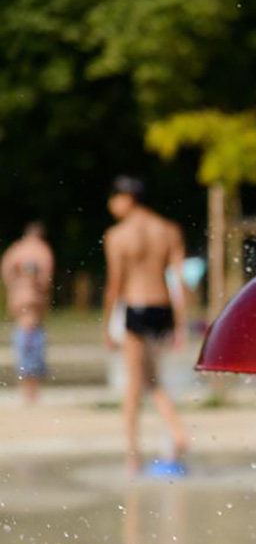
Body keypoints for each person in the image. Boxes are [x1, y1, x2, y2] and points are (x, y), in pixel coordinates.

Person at [101, 176, 189, 474]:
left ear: (126, 198)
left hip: (136, 308)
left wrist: (105, 326)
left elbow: (115, 285)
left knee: (133, 385)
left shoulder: (118, 235)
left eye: (113, 198)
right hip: (163, 308)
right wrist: (180, 323)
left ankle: (132, 454)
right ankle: (176, 432)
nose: (110, 205)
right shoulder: (168, 229)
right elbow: (179, 280)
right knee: (153, 379)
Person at [2, 222, 54, 404]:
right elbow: (47, 278)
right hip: (33, 312)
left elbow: (6, 270)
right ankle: (33, 395)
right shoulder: (42, 250)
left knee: (25, 357)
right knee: (33, 358)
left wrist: (16, 284)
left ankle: (27, 395)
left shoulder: (16, 249)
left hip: (21, 311)